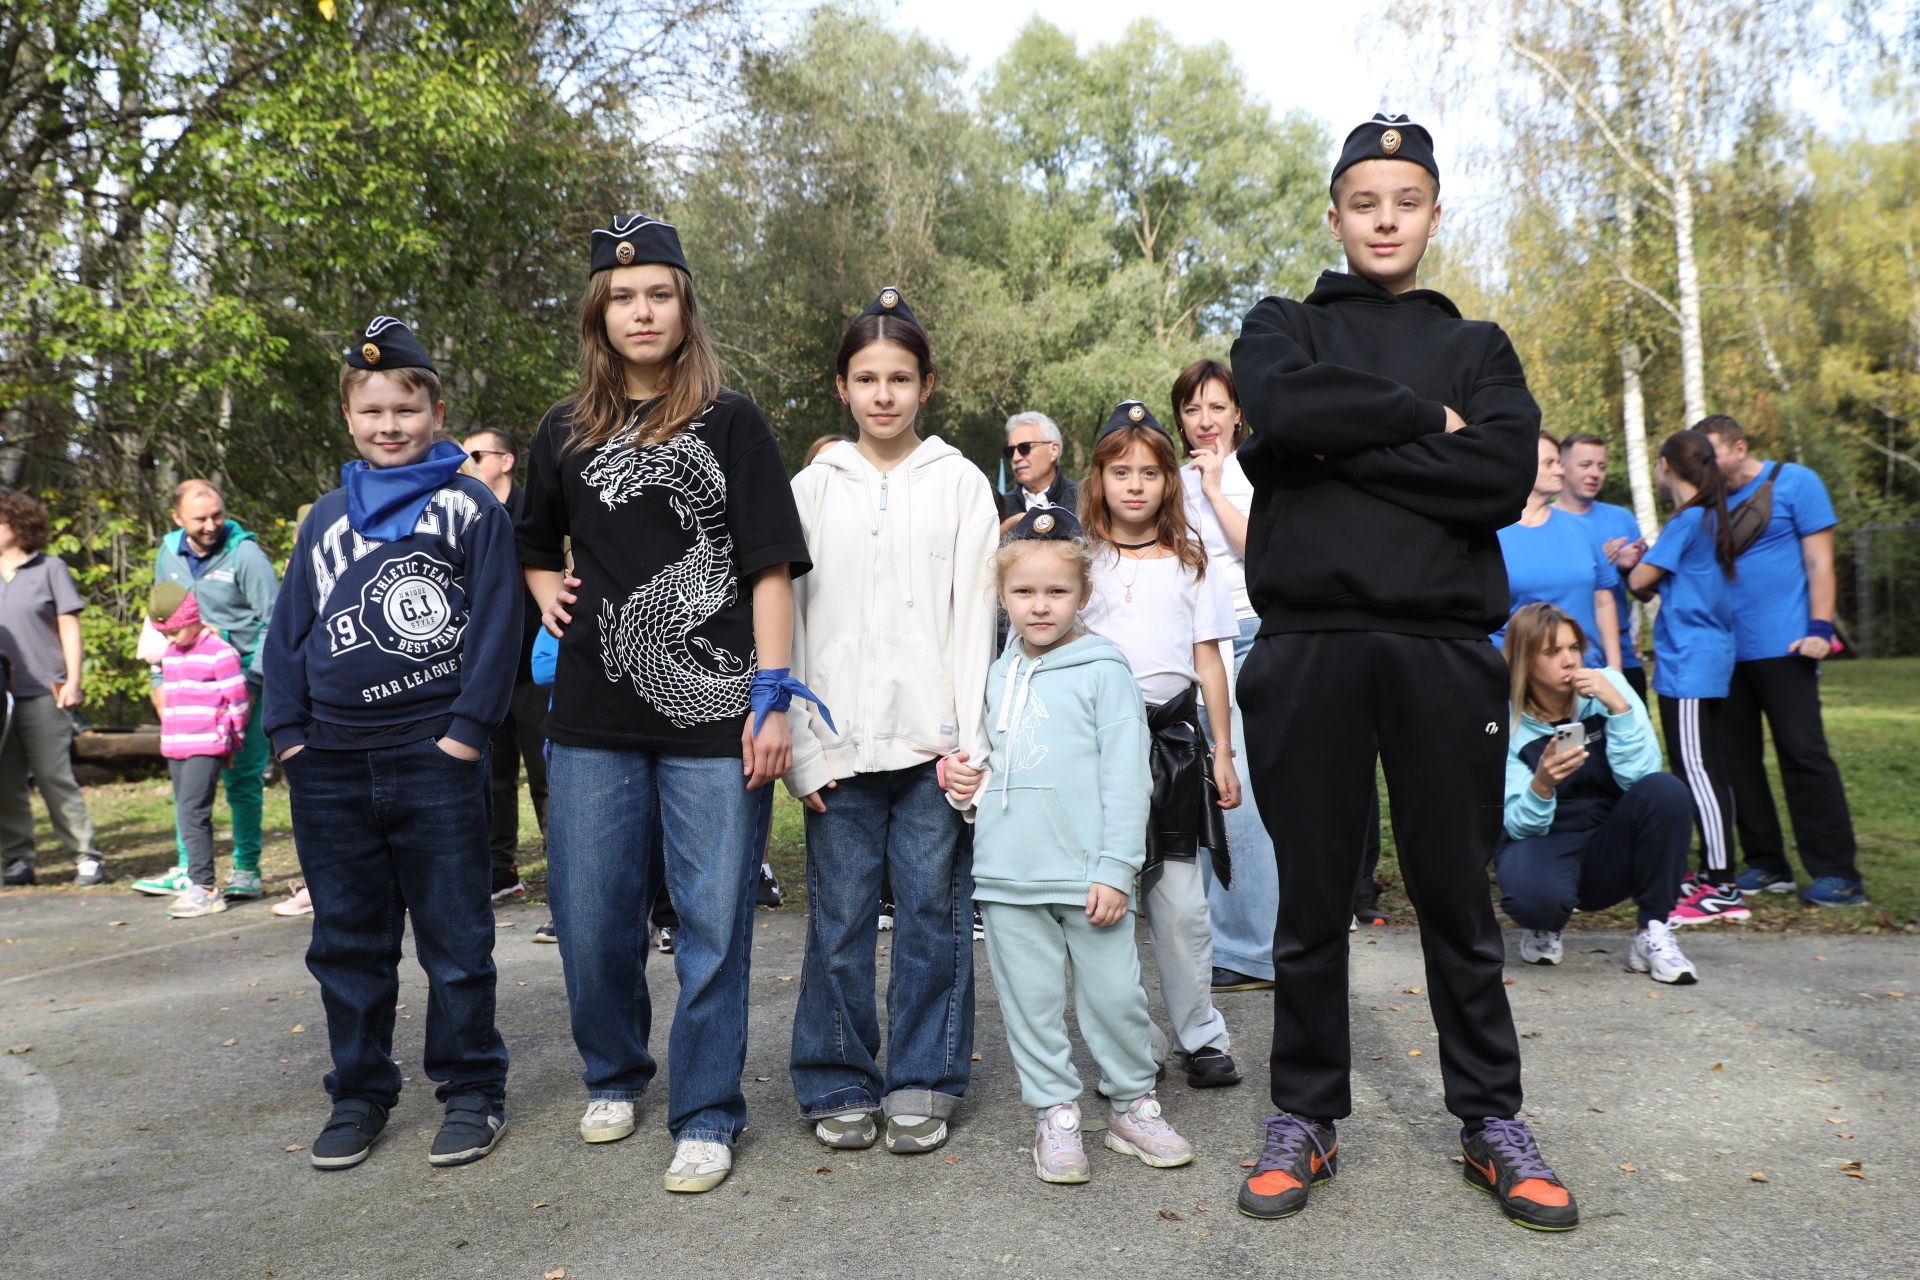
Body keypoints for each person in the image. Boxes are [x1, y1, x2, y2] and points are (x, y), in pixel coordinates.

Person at [1231, 115, 1577, 1230]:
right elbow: (1280, 406)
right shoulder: (1283, 325)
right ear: (1335, 216)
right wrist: (1426, 426)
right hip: (1310, 647)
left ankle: (1491, 1119)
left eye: (1407, 200)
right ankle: (1305, 1113)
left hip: (1441, 651)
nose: (1386, 220)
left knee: (1455, 895)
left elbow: (1497, 477)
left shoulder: (1478, 346)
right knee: (1311, 899)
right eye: (1365, 201)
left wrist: (1328, 451)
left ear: (1433, 212)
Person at [516, 214, 809, 1194]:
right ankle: (613, 1071)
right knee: (591, 917)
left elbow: (771, 568)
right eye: (622, 297)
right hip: (591, 719)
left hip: (715, 721)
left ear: (685, 307)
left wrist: (771, 697)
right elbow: (532, 538)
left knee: (714, 924)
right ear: (599, 313)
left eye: (659, 294)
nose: (641, 312)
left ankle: (708, 1110)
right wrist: (544, 593)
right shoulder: (564, 428)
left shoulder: (733, 422)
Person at [262, 316, 518, 1172]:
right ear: (348, 417)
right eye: (371, 410)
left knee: (456, 941)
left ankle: (472, 1088)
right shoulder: (325, 519)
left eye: (406, 409)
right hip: (330, 765)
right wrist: (290, 740)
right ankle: (361, 1093)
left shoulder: (469, 508)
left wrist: (465, 737)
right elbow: (287, 634)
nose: (389, 425)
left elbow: (497, 626)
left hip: (434, 758)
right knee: (347, 946)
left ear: (437, 414)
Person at [782, 287, 994, 1154]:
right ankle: (837, 1076)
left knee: (932, 919)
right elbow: (788, 621)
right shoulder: (809, 489)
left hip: (931, 750)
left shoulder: (960, 484)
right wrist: (802, 750)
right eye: (866, 378)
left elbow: (975, 620)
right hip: (837, 751)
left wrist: (971, 744)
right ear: (841, 386)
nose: (883, 395)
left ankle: (924, 1076)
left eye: (900, 378)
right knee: (838, 923)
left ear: (926, 385)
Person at [942, 510, 1195, 1184]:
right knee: (1031, 1006)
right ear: (1003, 597)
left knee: (1115, 998)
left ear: (1083, 594)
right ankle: (1055, 1113)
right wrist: (961, 782)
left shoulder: (1104, 669)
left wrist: (1116, 869)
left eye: (1057, 591)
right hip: (1007, 873)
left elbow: (1128, 774)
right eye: (1024, 591)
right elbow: (987, 765)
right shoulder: (993, 675)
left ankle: (1132, 1104)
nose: (1040, 605)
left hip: (1090, 876)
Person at [1078, 401, 1243, 1090]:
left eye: (1149, 472)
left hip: (1174, 749)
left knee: (1181, 907)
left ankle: (1201, 1035)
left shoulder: (1192, 560)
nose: (1135, 485)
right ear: (1099, 478)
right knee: (1104, 906)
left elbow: (1209, 661)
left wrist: (1223, 750)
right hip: (1095, 751)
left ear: (1169, 481)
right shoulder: (1080, 559)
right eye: (1121, 472)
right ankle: (1133, 1042)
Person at [1699, 416, 1866, 908]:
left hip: (1788, 646)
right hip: (1726, 652)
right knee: (1738, 760)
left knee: (1803, 754)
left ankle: (1837, 873)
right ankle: (1767, 862)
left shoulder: (1795, 482)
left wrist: (1820, 629)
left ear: (1740, 447)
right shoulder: (1706, 500)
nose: (1705, 466)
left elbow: (1820, 562)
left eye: (1712, 455)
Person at [1493, 602, 1697, 981]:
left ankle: (1651, 930)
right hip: (1545, 838)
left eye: (1574, 647)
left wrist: (1618, 708)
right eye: (1552, 652)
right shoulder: (1504, 718)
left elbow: (1643, 781)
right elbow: (1519, 825)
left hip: (1610, 837)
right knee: (1535, 902)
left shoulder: (1609, 686)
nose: (1569, 660)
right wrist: (1541, 784)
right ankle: (1544, 923)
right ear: (1524, 661)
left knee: (1667, 789)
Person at [1170, 360, 1276, 994]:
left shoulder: (1258, 469)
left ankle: (1251, 949)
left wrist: (1213, 489)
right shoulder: (1172, 480)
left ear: (1239, 413)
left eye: (1217, 406)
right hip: (1191, 646)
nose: (1204, 420)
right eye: (1192, 409)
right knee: (1207, 790)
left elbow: (1262, 551)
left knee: (1241, 792)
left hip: (1248, 636)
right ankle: (1222, 936)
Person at [133, 479, 281, 900]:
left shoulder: (245, 554)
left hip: (241, 682)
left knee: (243, 779)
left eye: (218, 515)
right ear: (177, 518)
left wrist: (253, 683)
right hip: (185, 688)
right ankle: (188, 868)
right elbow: (160, 616)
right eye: (200, 518)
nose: (211, 524)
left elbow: (274, 621)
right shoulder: (168, 554)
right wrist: (158, 680)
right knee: (187, 785)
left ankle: (247, 868)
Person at [1627, 429, 1747, 926]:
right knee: (1707, 768)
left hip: (1690, 662)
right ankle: (1712, 872)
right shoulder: (1711, 516)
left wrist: (1628, 561)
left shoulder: (1687, 519)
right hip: (1706, 656)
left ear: (1666, 466)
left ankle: (1722, 885)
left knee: (1695, 769)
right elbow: (1664, 588)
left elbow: (1640, 582)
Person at [460, 429, 548, 902]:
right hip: (489, 668)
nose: (468, 461)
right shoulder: (464, 511)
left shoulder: (535, 511)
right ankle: (501, 870)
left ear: (507, 460)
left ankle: (566, 872)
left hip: (536, 665)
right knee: (494, 776)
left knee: (546, 776)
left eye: (476, 454)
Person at [0, 490, 102, 888]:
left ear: (18, 524)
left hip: (46, 690)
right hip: (1, 698)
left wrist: (73, 681)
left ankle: (86, 857)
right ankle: (18, 859)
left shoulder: (50, 568)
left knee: (52, 776)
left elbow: (69, 628)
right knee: (5, 781)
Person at [148, 583, 252, 920]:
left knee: (193, 813)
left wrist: (234, 742)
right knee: (185, 813)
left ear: (191, 619)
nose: (170, 638)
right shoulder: (171, 654)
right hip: (176, 745)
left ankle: (204, 888)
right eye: (164, 633)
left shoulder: (221, 653)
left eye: (174, 631)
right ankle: (197, 881)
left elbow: (238, 702)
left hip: (206, 744)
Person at [1492, 433, 1622, 669]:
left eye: (1560, 463)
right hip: (1515, 675)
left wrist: (1614, 670)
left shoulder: (1582, 528)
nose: (1561, 471)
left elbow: (1603, 601)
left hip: (1585, 674)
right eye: (1549, 463)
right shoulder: (1491, 532)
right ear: (1521, 466)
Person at [1554, 432, 1651, 700]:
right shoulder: (1544, 521)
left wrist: (1628, 569)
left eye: (1602, 466)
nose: (1595, 474)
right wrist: (1599, 565)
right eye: (1585, 465)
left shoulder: (1622, 517)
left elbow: (1645, 593)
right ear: (1562, 466)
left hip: (1621, 653)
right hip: (1565, 656)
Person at [996, 411, 1078, 532]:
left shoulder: (1085, 499)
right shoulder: (999, 508)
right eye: (1010, 451)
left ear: (1053, 451)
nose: (1015, 458)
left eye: (1024, 447)